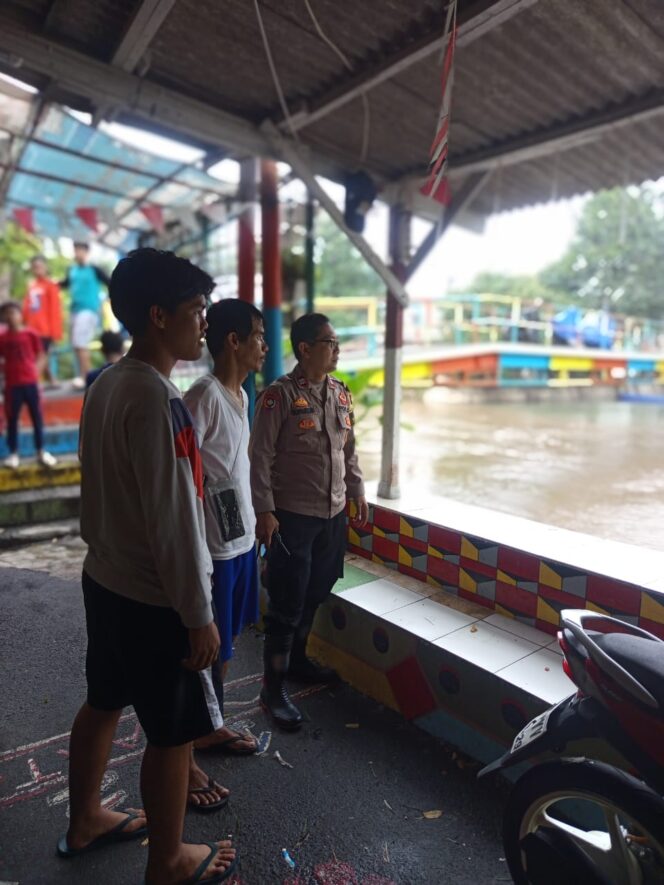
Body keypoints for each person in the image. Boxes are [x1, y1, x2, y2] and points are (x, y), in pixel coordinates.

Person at [61, 248, 237, 884]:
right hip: (155, 597)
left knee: (103, 700)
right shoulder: (162, 401)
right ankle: (168, 859)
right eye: (196, 311)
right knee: (171, 734)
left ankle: (85, 818)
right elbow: (175, 521)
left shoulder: (107, 384)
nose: (204, 324)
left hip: (104, 579)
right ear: (158, 316)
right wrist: (199, 616)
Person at [249, 312, 369, 730]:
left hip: (332, 515)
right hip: (292, 519)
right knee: (285, 603)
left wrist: (356, 489)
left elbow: (347, 449)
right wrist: (264, 511)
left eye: (336, 342)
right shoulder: (277, 396)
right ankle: (273, 688)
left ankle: (297, 662)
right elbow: (259, 456)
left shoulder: (339, 393)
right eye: (329, 342)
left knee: (315, 591)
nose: (336, 348)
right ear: (305, 348)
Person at [184, 299, 267, 755]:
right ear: (233, 341)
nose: (265, 347)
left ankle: (212, 718)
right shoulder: (203, 396)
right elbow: (186, 475)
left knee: (230, 637)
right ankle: (201, 725)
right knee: (208, 643)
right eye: (258, 336)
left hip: (241, 539)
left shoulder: (242, 396)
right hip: (213, 547)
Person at [0, 301, 57, 469]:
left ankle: (41, 451)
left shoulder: (31, 334)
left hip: (31, 383)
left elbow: (41, 353)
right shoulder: (2, 338)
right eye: (6, 313)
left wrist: (35, 371)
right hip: (12, 385)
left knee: (37, 418)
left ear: (20, 314)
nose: (10, 316)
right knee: (12, 420)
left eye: (13, 312)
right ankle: (13, 453)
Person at [59, 242, 110, 388]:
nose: (77, 253)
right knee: (77, 344)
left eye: (79, 250)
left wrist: (106, 300)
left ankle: (85, 378)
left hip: (89, 310)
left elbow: (110, 282)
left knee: (80, 343)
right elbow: (64, 284)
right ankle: (84, 375)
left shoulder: (94, 269)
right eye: (75, 250)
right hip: (75, 310)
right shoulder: (72, 270)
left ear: (86, 252)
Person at [23, 255, 63, 385]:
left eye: (39, 266)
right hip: (31, 327)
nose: (37, 269)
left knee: (42, 356)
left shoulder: (51, 285)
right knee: (40, 355)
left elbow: (55, 310)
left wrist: (55, 332)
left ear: (45, 267)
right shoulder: (31, 286)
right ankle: (52, 380)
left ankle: (30, 382)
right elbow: (26, 307)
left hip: (45, 329)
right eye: (34, 267)